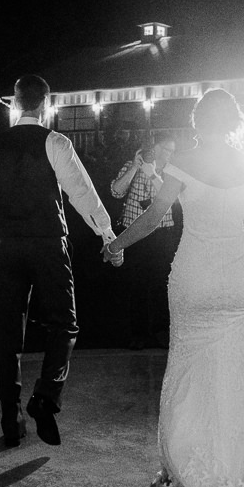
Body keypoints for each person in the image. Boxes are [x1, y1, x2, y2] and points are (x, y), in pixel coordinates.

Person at [103, 88, 244, 487]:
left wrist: (116, 243)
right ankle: (237, 465)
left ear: (199, 121)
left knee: (188, 368)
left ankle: (188, 466)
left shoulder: (184, 162)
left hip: (195, 275)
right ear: (234, 121)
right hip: (236, 274)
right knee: (235, 371)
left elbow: (151, 216)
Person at [0, 75, 116, 448]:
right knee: (65, 324)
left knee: (7, 334)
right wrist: (108, 236)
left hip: (7, 247)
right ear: (46, 104)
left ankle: (10, 417)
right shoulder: (55, 142)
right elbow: (83, 193)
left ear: (15, 104)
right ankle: (45, 397)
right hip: (48, 245)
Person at [109, 134, 176, 349]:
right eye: (166, 149)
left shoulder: (170, 172)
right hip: (135, 234)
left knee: (161, 284)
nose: (169, 154)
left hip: (161, 234)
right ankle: (138, 334)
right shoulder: (132, 165)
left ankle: (161, 331)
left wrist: (153, 173)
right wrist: (134, 168)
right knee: (137, 285)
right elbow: (116, 191)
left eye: (172, 151)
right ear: (154, 149)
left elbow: (171, 198)